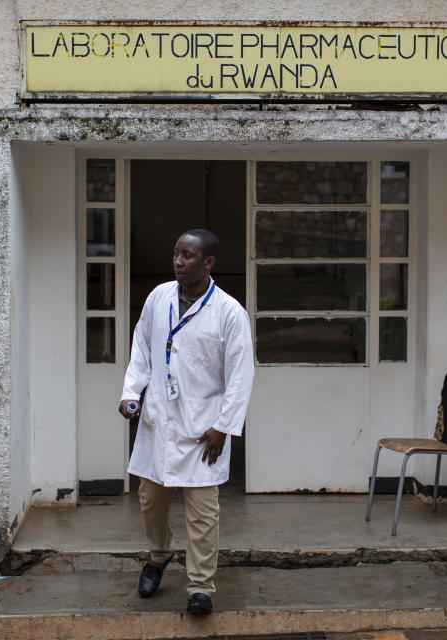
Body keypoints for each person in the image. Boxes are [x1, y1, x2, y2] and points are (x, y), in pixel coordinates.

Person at [118, 228, 254, 615]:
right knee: (151, 502)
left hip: (202, 430)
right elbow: (142, 346)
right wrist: (131, 394)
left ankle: (200, 587)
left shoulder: (229, 312)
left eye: (188, 255)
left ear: (208, 262)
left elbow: (241, 375)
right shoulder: (158, 298)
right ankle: (159, 556)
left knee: (202, 513)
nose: (178, 261)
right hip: (159, 421)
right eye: (176, 253)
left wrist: (224, 427)